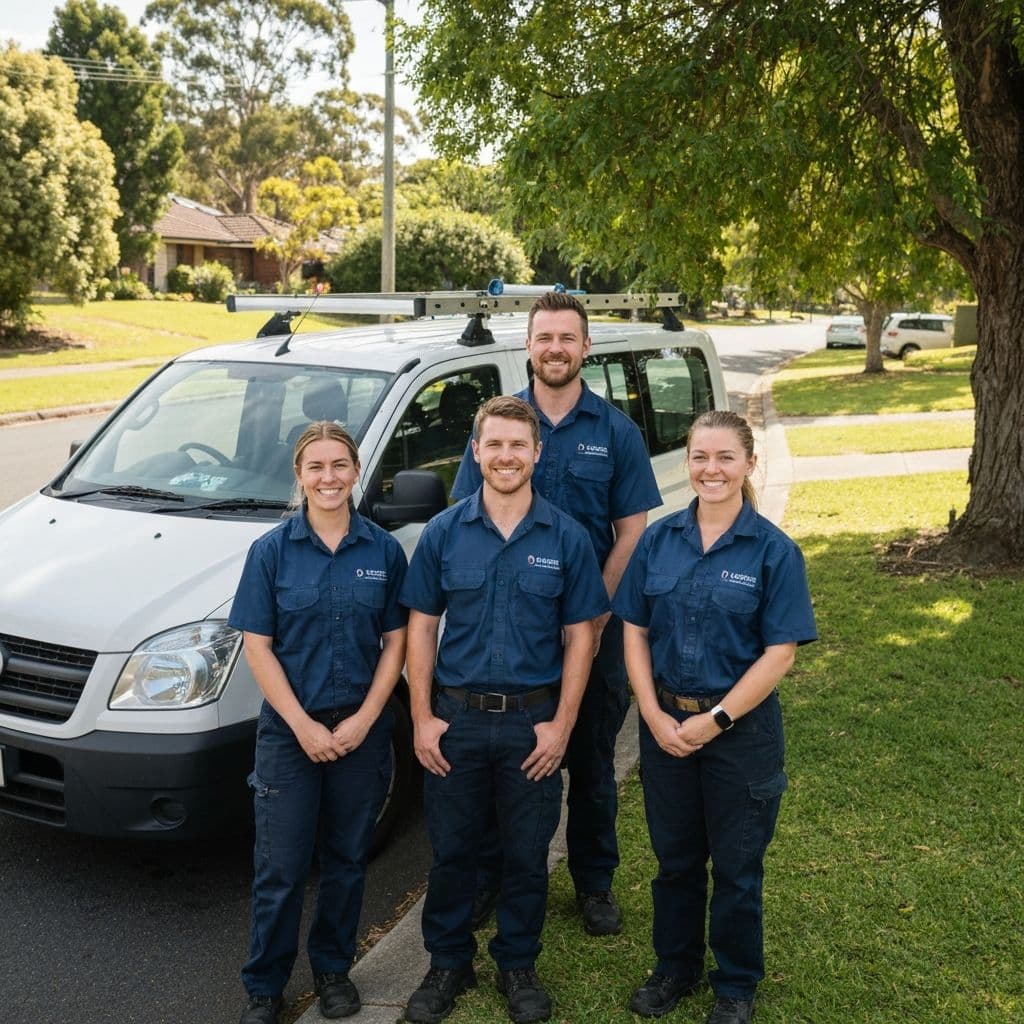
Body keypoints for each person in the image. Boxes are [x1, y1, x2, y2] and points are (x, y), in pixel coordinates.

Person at [450, 290, 662, 937]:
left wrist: (593, 616)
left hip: (597, 632)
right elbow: (468, 518)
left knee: (592, 761)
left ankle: (593, 882)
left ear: (586, 348)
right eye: (545, 338)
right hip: (511, 631)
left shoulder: (617, 433)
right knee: (507, 760)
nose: (555, 349)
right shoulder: (502, 427)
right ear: (529, 345)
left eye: (567, 338)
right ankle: (498, 875)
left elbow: (631, 531)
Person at [402, 396, 609, 1024]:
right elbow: (419, 627)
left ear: (537, 453)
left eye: (518, 445)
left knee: (525, 853)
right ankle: (447, 963)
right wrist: (421, 717)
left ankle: (518, 963)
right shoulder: (443, 532)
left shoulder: (566, 537)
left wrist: (563, 723)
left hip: (531, 722)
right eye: (494, 444)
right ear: (476, 451)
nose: (506, 456)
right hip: (456, 722)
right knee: (453, 851)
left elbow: (583, 635)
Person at [612, 410, 817, 1024]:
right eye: (700, 457)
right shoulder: (658, 540)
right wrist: (650, 712)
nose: (712, 469)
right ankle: (674, 967)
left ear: (750, 464)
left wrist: (718, 720)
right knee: (675, 862)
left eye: (726, 457)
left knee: (736, 867)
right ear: (687, 463)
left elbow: (779, 652)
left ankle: (735, 985)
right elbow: (634, 629)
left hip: (740, 735)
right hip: (666, 727)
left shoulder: (774, 553)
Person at [229, 421, 408, 1024]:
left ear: (356, 472)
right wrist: (303, 725)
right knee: (279, 867)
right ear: (299, 477)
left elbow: (396, 642)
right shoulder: (271, 553)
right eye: (316, 467)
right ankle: (264, 986)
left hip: (362, 729)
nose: (328, 477)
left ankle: (333, 971)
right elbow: (258, 647)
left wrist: (365, 719)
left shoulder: (383, 552)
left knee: (347, 858)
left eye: (339, 465)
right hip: (289, 731)